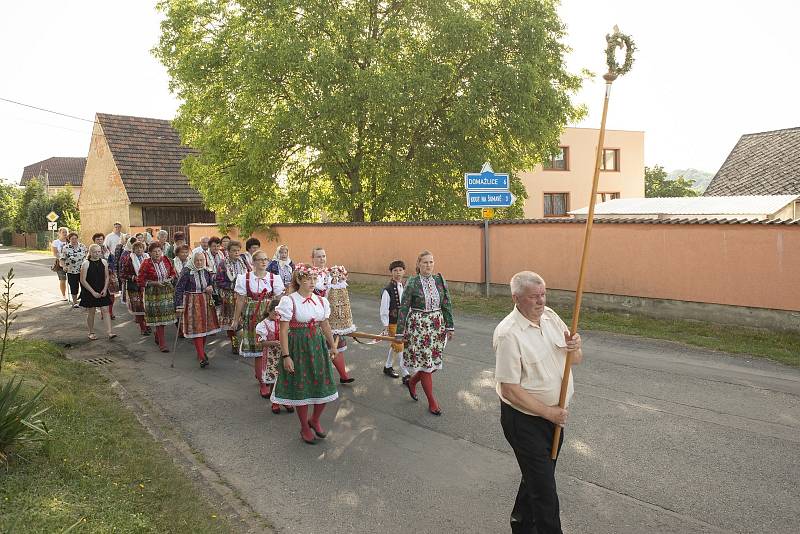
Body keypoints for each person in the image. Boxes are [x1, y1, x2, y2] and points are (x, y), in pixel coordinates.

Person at [494, 271, 583, 534]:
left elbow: (575, 359)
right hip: (524, 421)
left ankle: (520, 525)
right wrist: (548, 412)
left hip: (554, 418)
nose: (541, 301)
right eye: (534, 296)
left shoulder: (552, 317)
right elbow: (509, 389)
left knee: (536, 479)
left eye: (543, 294)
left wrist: (575, 346)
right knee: (545, 492)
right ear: (516, 298)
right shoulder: (508, 334)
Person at [270, 264, 339, 444]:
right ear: (299, 280)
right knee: (302, 387)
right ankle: (304, 426)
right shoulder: (289, 301)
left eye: (314, 279)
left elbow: (324, 325)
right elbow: (283, 331)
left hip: (317, 346)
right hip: (298, 347)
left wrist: (332, 346)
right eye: (307, 279)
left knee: (324, 383)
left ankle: (314, 419)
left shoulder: (321, 300)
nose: (311, 282)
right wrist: (286, 356)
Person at [395, 250, 454, 416]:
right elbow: (404, 307)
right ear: (418, 264)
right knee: (427, 366)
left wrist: (450, 326)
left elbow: (447, 304)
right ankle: (432, 402)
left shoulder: (439, 280)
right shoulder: (412, 282)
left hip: (437, 326)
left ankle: (412, 382)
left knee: (433, 363)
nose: (428, 265)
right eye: (425, 262)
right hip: (419, 327)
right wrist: (400, 332)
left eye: (431, 262)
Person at [230, 250, 285, 393]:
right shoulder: (244, 278)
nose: (264, 262)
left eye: (265, 259)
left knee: (271, 348)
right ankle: (262, 383)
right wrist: (236, 319)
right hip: (253, 315)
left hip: (270, 314)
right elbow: (240, 300)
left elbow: (279, 300)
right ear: (253, 262)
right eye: (260, 260)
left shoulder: (274, 278)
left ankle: (267, 376)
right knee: (259, 349)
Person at [311, 247, 354, 383]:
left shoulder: (332, 273)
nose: (322, 259)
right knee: (319, 350)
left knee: (336, 346)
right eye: (318, 256)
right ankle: (319, 379)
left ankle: (343, 375)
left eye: (323, 256)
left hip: (334, 318)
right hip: (316, 316)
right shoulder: (310, 275)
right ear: (312, 259)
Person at [174, 251, 221, 367]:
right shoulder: (186, 271)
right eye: (197, 260)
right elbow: (179, 289)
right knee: (197, 329)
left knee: (204, 328)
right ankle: (201, 356)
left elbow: (211, 283)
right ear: (192, 260)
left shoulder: (206, 270)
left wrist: (210, 287)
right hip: (192, 302)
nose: (199, 262)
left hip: (205, 301)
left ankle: (200, 352)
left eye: (201, 260)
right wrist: (179, 306)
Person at [255, 298, 294, 414]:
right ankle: (275, 402)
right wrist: (273, 343)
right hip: (271, 357)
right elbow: (260, 342)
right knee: (273, 380)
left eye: (279, 314)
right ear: (269, 310)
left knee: (285, 378)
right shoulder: (263, 325)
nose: (277, 316)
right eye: (274, 313)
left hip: (284, 354)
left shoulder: (284, 322)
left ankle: (285, 400)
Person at [137, 242, 177, 352]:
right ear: (149, 253)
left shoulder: (167, 260)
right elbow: (140, 280)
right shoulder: (146, 263)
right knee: (158, 319)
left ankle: (157, 335)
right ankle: (162, 344)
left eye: (159, 251)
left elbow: (173, 273)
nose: (157, 253)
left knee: (164, 319)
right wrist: (154, 283)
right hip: (153, 294)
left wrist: (170, 279)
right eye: (154, 251)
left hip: (166, 292)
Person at [380, 260, 409, 382]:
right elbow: (384, 309)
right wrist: (386, 325)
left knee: (396, 345)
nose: (398, 273)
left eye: (400, 270)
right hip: (392, 323)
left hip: (402, 323)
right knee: (400, 346)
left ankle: (387, 366)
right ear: (391, 273)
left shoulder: (404, 286)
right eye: (395, 270)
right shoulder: (388, 289)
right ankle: (406, 374)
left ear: (404, 271)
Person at [216, 240, 247, 353]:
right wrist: (233, 285)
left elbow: (248, 274)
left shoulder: (243, 262)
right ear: (228, 251)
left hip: (243, 295)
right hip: (230, 296)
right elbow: (219, 281)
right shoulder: (223, 264)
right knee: (231, 321)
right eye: (234, 251)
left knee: (244, 320)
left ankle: (244, 342)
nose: (236, 253)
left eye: (238, 250)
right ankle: (234, 342)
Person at [79, 244, 116, 340]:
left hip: (101, 289)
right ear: (90, 252)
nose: (97, 253)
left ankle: (110, 332)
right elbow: (83, 280)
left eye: (99, 251)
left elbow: (107, 277)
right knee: (91, 312)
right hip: (89, 290)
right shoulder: (86, 263)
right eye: (95, 252)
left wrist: (104, 289)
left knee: (105, 310)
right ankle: (91, 332)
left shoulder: (104, 262)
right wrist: (92, 292)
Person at [120, 240, 149, 334]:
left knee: (147, 307)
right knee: (138, 307)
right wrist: (133, 277)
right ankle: (142, 328)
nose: (139, 250)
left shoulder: (147, 258)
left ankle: (147, 325)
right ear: (133, 250)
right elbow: (123, 274)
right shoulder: (129, 259)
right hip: (134, 287)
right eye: (136, 248)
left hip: (146, 286)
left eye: (140, 247)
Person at [92, 233, 118, 320]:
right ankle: (104, 312)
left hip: (110, 274)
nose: (100, 241)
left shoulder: (107, 248)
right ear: (94, 241)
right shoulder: (92, 250)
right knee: (102, 294)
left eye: (101, 239)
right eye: (98, 239)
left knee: (111, 294)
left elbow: (112, 260)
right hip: (99, 276)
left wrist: (111, 268)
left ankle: (110, 311)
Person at [59, 232, 88, 309]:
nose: (74, 240)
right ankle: (75, 302)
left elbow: (87, 256)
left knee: (84, 286)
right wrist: (64, 266)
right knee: (74, 286)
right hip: (71, 270)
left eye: (75, 238)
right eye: (72, 239)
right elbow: (62, 259)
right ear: (69, 239)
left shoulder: (82, 246)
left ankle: (84, 301)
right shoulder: (66, 248)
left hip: (83, 270)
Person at [51, 226, 69, 301]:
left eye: (66, 232)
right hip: (60, 263)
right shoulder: (56, 242)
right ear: (59, 233)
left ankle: (74, 294)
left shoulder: (70, 241)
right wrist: (62, 259)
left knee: (73, 280)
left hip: (71, 263)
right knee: (62, 279)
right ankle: (64, 295)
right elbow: (55, 253)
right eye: (63, 232)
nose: (65, 233)